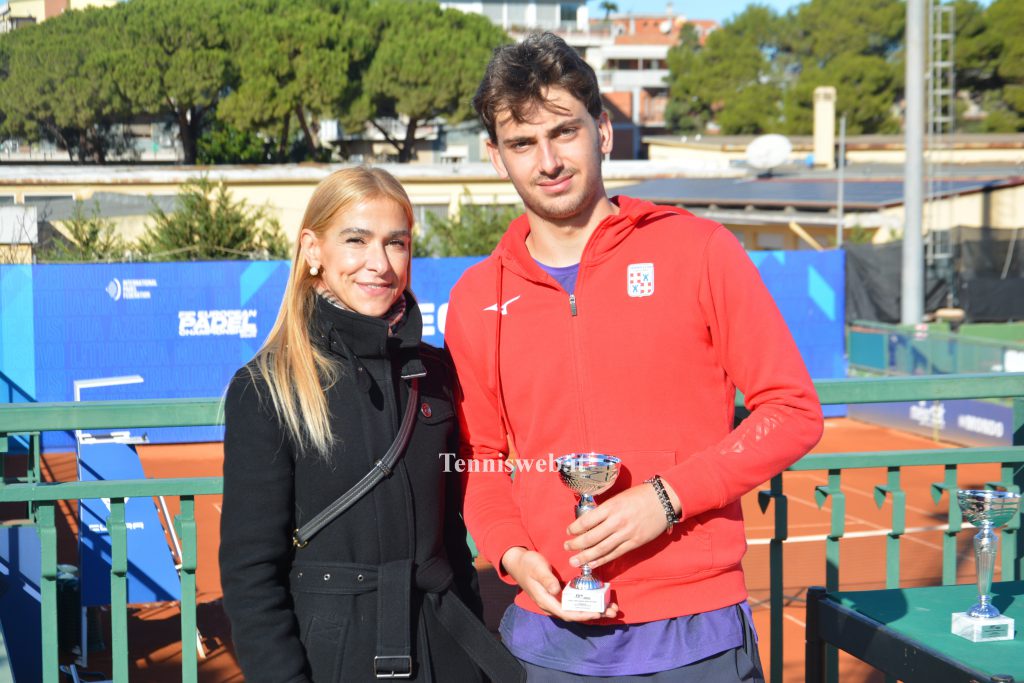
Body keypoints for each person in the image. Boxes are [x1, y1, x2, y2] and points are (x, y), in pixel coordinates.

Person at [444, 33, 825, 681]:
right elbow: (480, 457)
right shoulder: (478, 295)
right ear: (495, 156)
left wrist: (668, 497)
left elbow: (792, 412)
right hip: (547, 639)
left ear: (604, 131)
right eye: (522, 143)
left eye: (565, 132)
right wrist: (509, 552)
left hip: (697, 635)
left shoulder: (699, 251)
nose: (548, 160)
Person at [220, 167, 522, 682]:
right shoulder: (265, 387)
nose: (379, 264)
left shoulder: (436, 373)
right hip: (333, 661)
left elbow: (451, 541)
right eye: (356, 240)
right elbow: (251, 576)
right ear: (313, 249)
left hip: (443, 647)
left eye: (396, 243)